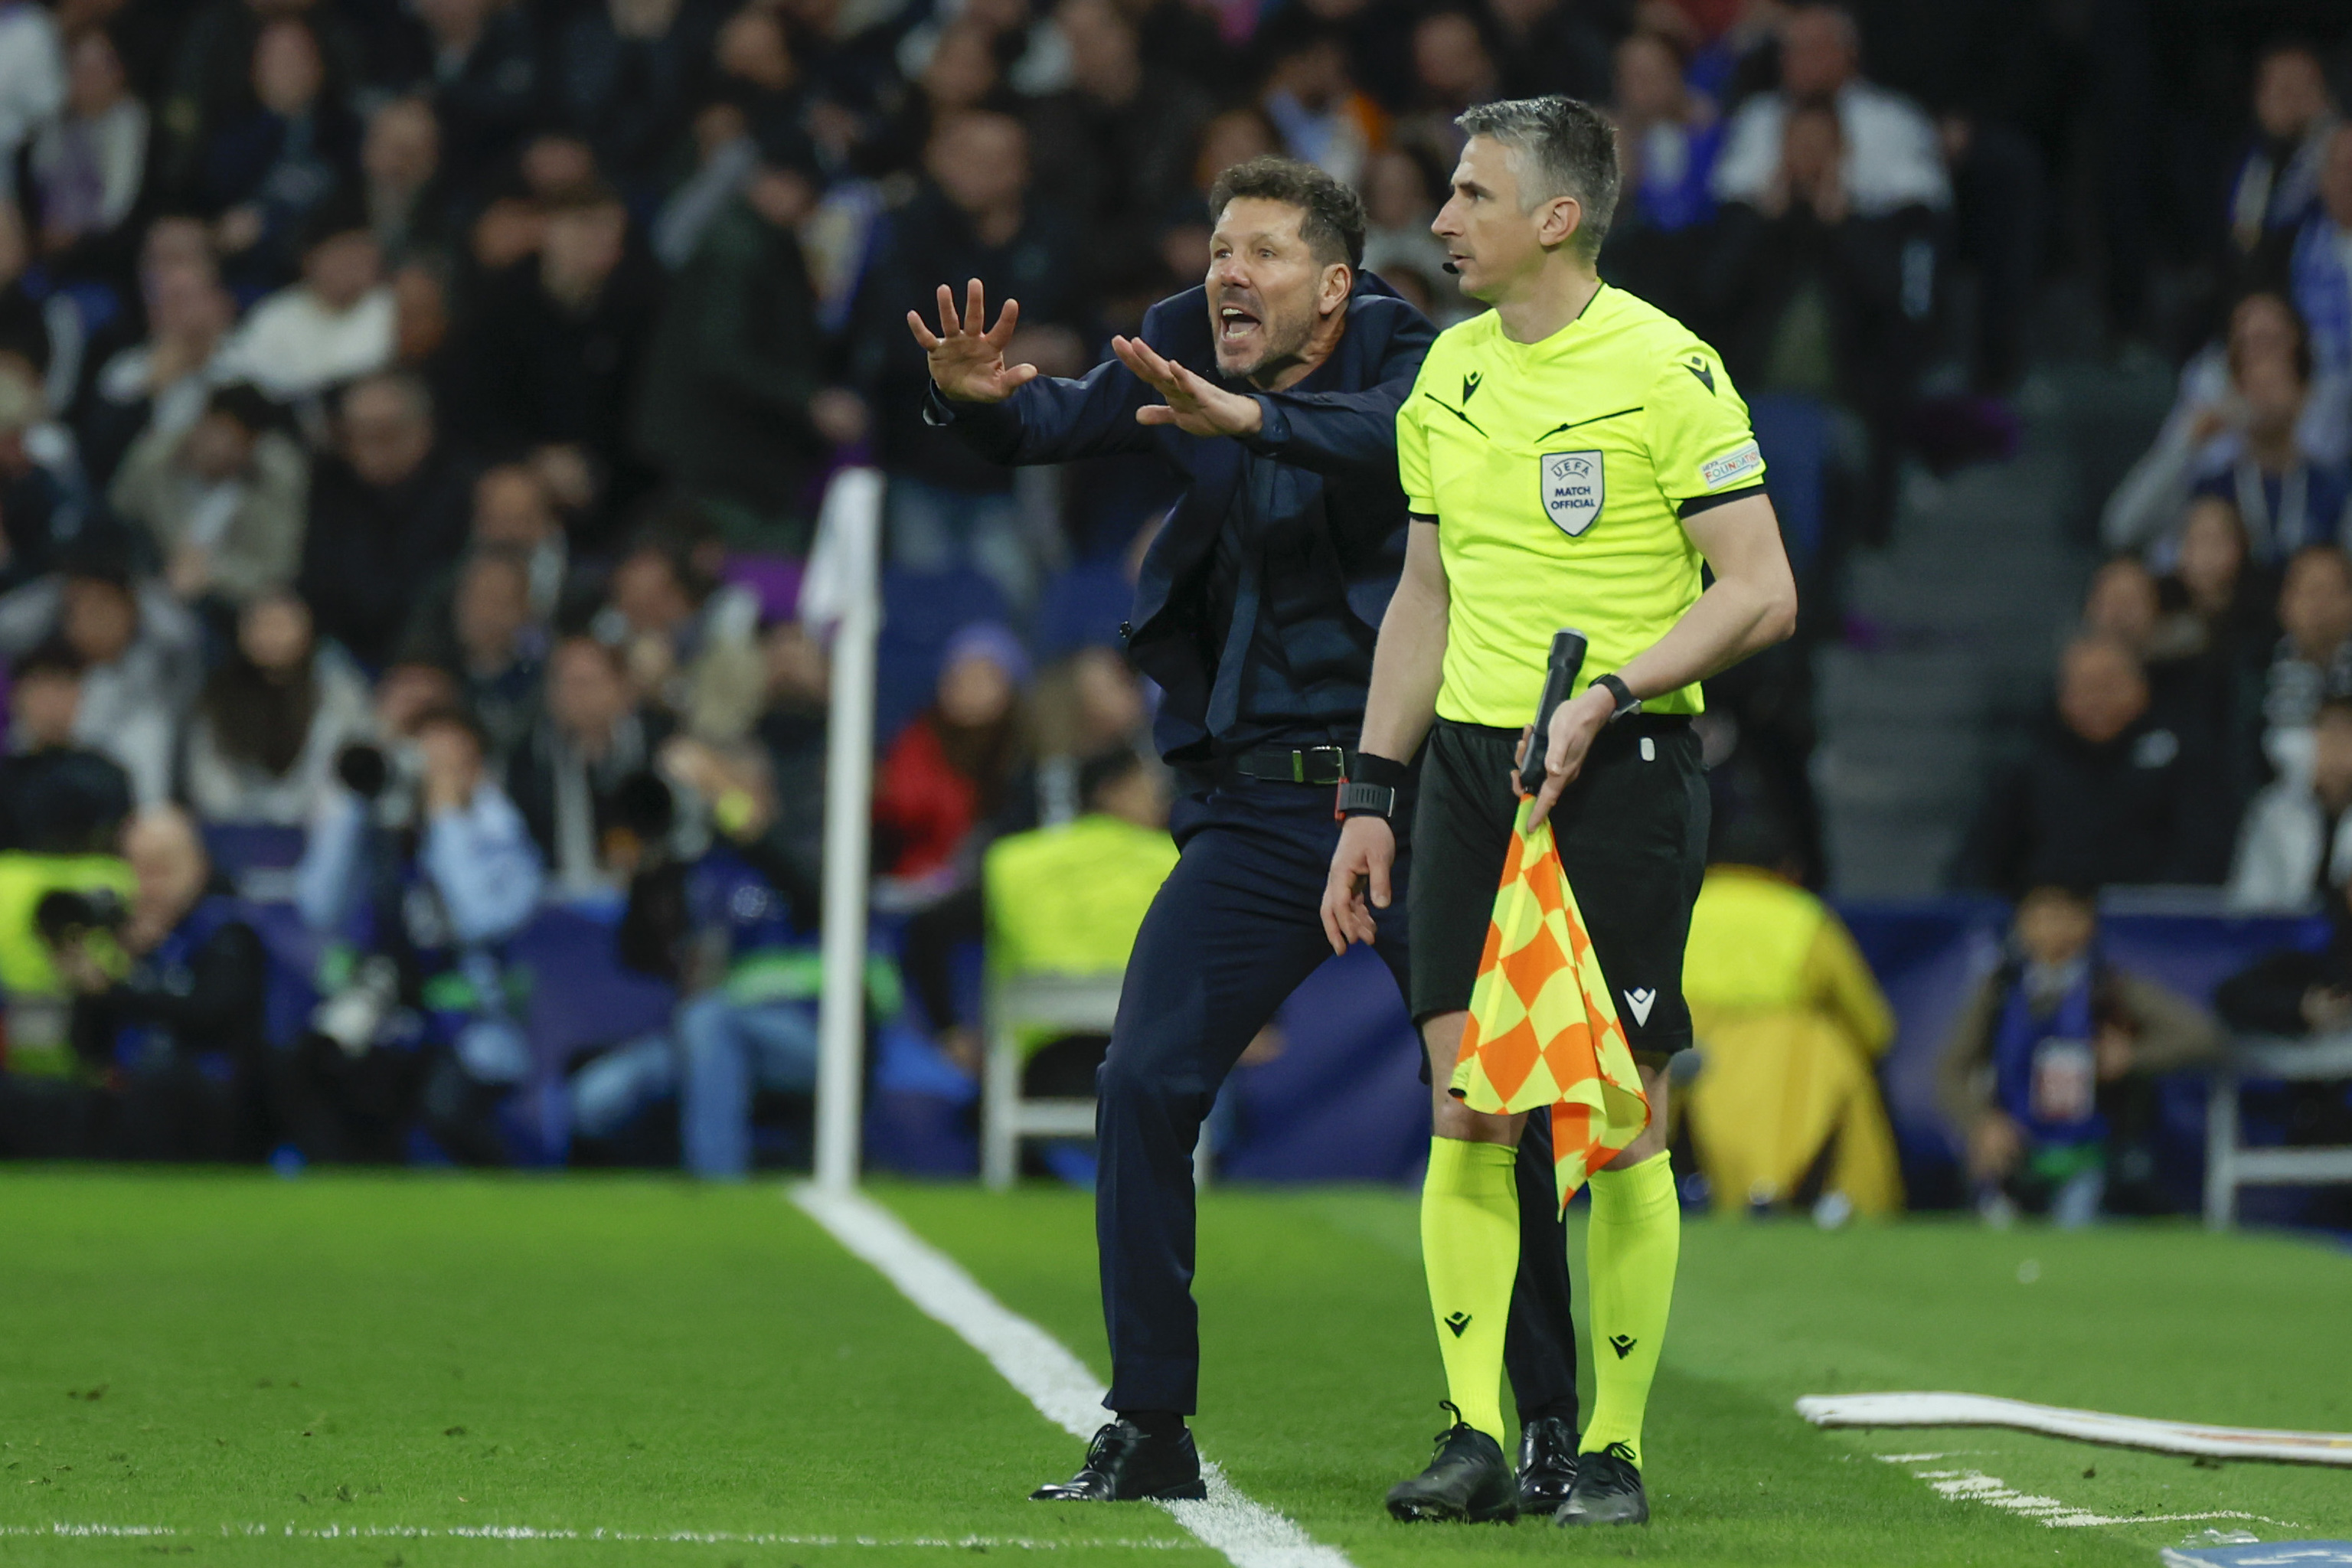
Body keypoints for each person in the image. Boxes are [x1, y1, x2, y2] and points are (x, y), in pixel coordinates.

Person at [913, 154, 1591, 1512]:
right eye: (1221, 247)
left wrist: (1253, 422)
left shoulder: (1431, 355)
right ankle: (1148, 1422)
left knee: (1489, 1107)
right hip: (1262, 807)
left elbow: (1403, 449)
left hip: (1425, 790)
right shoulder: (1179, 342)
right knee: (1141, 1080)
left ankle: (1546, 1430)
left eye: (1265, 253)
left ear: (1336, 286)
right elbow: (1059, 418)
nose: (1228, 272)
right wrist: (979, 407)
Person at [1323, 96, 1795, 1527]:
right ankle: (1476, 1435)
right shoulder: (1448, 376)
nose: (1442, 217)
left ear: (1556, 217)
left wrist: (1611, 695)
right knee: (1467, 1106)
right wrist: (1370, 794)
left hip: (1621, 771)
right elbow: (1425, 596)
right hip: (1471, 773)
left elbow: (1760, 590)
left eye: (1470, 194)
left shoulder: (1666, 369)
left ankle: (1614, 1449)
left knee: (1622, 1113)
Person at [296, 704, 546, 1164]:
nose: (430, 775)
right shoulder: (379, 827)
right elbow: (318, 906)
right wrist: (354, 802)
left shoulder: (503, 840)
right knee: (315, 1070)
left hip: (470, 1025)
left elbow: (478, 919)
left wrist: (447, 819)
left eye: (449, 765)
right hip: (386, 1014)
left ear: (478, 771)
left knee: (443, 1104)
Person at [1939, 884, 2222, 1227]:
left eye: (2063, 916)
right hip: (2018, 1160)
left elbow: (2202, 1036)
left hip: (2092, 1159)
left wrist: (2132, 1056)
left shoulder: (2110, 989)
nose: (2051, 930)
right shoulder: (2000, 990)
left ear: (2087, 923)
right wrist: (1981, 1124)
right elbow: (1951, 1069)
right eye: (2040, 916)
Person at [1679, 820, 1899, 1217]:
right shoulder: (1803, 916)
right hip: (1785, 1072)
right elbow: (1874, 1027)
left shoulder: (1682, 909)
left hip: (1684, 1067)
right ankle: (1853, 1207)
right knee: (1834, 1054)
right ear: (1787, 870)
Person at [47, 805, 272, 1160]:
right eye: (139, 869)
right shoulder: (117, 938)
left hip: (209, 1102)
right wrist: (89, 986)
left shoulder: (227, 931)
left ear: (198, 866)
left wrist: (121, 989)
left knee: (159, 1086)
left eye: (163, 869)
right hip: (125, 1095)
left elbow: (212, 1014)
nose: (150, 885)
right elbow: (87, 1048)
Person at [1956, 633, 2224, 895]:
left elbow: (2202, 856)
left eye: (2108, 685)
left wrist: (2119, 913)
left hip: (2150, 925)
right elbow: (1977, 863)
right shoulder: (2028, 762)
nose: (2096, 699)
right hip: (2046, 924)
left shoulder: (2183, 755)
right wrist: (2028, 909)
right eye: (2083, 687)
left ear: (2141, 688)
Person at [297, 371, 472, 667]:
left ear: (423, 430)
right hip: (335, 652)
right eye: (358, 435)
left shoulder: (458, 491)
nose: (372, 449)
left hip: (427, 657)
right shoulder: (331, 486)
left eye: (386, 434)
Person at [109, 383, 309, 609]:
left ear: (252, 445)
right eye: (213, 431)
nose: (216, 448)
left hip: (229, 607)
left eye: (232, 441)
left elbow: (277, 571)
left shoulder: (274, 484)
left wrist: (213, 573)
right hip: (146, 580)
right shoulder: (155, 459)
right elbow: (117, 517)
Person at [183, 590, 373, 826]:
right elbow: (210, 783)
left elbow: (355, 762)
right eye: (262, 624)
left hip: (319, 824)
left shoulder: (337, 686)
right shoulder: (219, 693)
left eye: (283, 624)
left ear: (308, 628)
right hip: (237, 825)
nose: (272, 634)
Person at [507, 633, 671, 896]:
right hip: (558, 903)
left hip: (654, 895)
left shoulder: (659, 746)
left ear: (622, 688)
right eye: (565, 683)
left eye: (588, 683)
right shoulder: (528, 762)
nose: (577, 695)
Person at [0, 642, 132, 853]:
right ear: (17, 696)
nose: (53, 701)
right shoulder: (6, 778)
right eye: (42, 687)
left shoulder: (107, 776)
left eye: (64, 687)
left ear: (80, 696)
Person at [2229, 695, 2352, 913]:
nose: (2337, 751)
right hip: (2282, 939)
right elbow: (2249, 898)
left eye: (2346, 737)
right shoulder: (2274, 809)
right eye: (2328, 735)